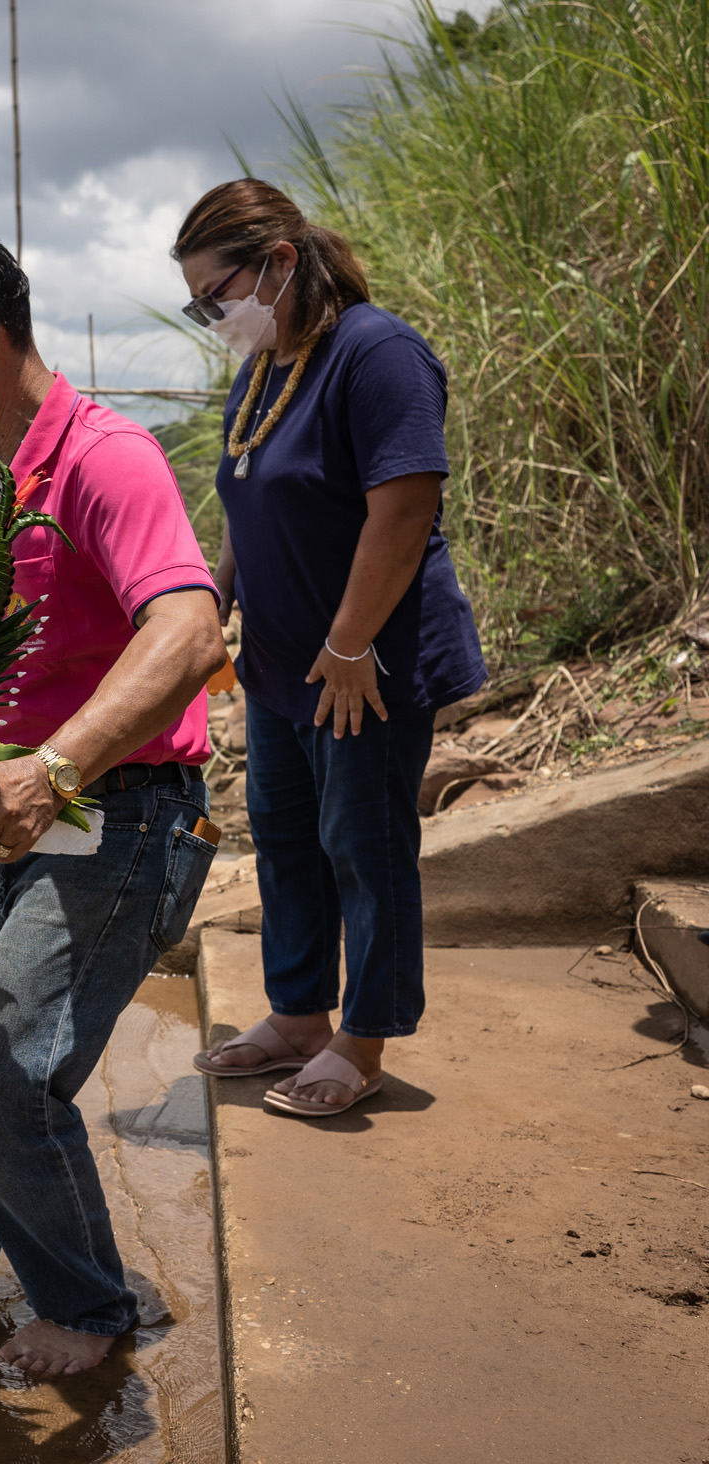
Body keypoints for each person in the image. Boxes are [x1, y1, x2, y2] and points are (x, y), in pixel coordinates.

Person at [0, 224, 229, 1376]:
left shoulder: (107, 459)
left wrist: (56, 764)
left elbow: (190, 626)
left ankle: (90, 1310)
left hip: (119, 815)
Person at [173, 180, 486, 1117]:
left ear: (276, 265)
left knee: (365, 844)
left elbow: (404, 507)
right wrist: (211, 599)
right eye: (197, 304)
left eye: (214, 295)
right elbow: (245, 498)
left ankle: (364, 1038)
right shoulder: (267, 365)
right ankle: (299, 1015)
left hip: (366, 665)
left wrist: (349, 644)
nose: (211, 317)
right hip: (280, 664)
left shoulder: (375, 352)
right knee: (284, 840)